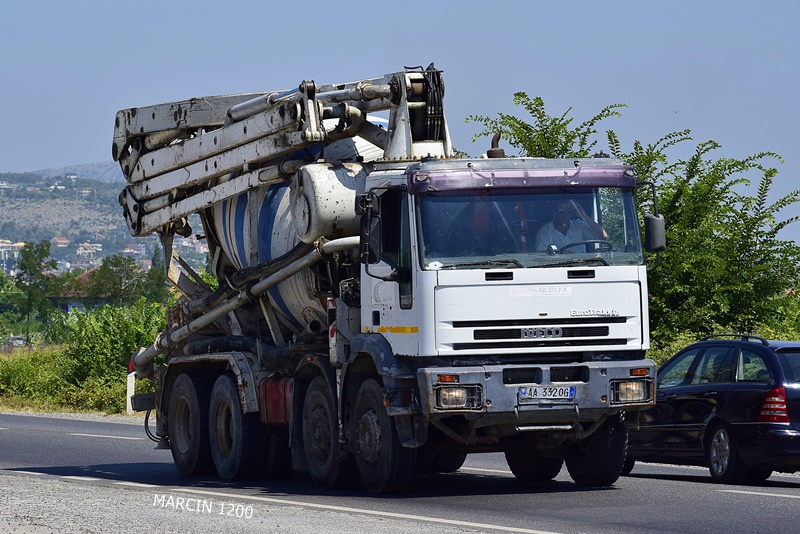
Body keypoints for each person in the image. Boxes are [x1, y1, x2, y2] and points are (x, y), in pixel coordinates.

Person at [534, 198, 607, 253]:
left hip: (581, 266)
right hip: (556, 267)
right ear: (554, 212)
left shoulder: (579, 225)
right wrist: (560, 255)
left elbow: (602, 236)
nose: (565, 215)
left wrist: (583, 215)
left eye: (568, 212)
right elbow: (541, 256)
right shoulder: (545, 231)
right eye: (561, 212)